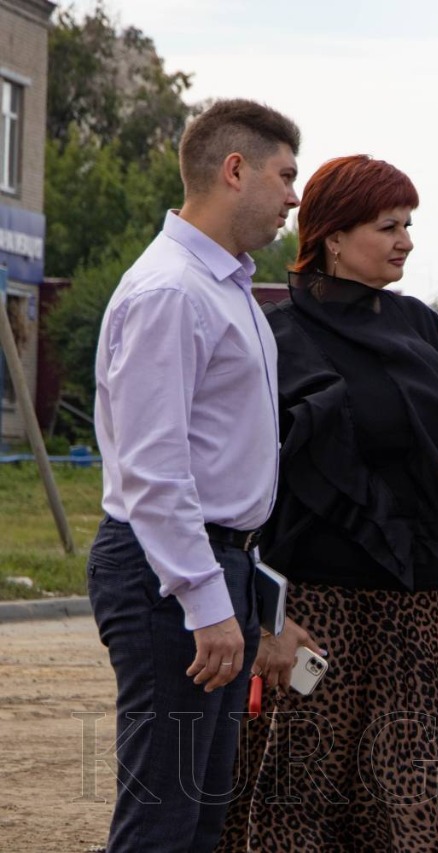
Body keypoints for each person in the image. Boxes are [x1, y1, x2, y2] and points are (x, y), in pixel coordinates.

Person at [219, 155, 438, 851]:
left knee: (414, 806)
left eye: (409, 225)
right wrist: (265, 617)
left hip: (412, 612)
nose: (406, 241)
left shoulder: (421, 326)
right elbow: (242, 480)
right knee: (297, 804)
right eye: (388, 226)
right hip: (312, 611)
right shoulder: (273, 333)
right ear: (333, 236)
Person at [87, 99, 300, 852]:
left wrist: (240, 586)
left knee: (203, 821)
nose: (294, 197)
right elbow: (153, 468)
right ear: (235, 170)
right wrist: (204, 600)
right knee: (163, 821)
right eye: (285, 176)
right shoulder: (172, 290)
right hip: (169, 572)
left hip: (212, 565)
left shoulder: (223, 285)